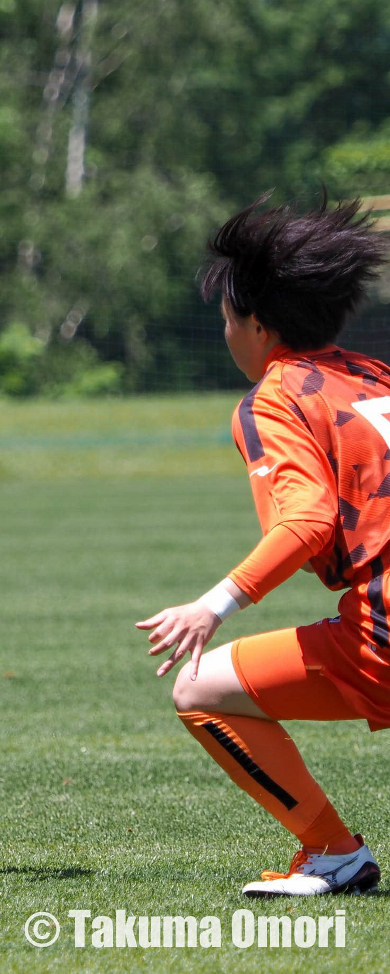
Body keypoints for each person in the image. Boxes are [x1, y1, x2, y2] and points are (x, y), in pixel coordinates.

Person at [137, 194, 390, 896]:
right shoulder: (375, 376)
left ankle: (331, 851)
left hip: (386, 626)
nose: (224, 332)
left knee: (199, 689)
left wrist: (212, 605)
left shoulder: (276, 397)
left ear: (258, 324)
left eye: (226, 317)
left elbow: (306, 520)